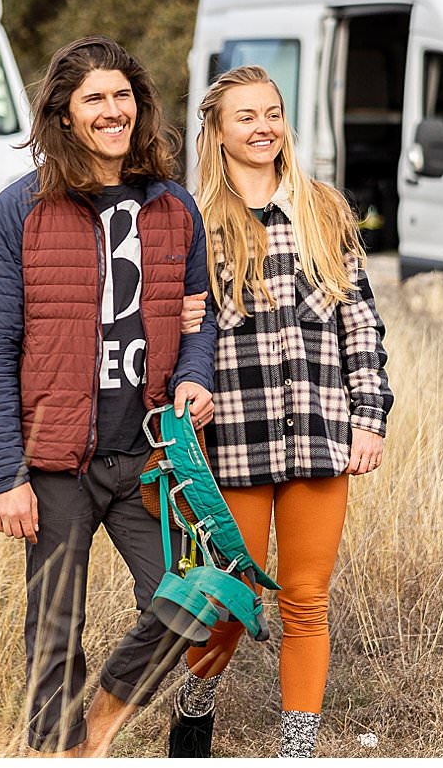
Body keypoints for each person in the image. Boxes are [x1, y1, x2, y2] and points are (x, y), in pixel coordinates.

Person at [0, 36, 218, 756]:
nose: (113, 111)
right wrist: (5, 475)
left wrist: (194, 375)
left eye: (123, 96)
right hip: (55, 462)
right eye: (95, 99)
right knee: (53, 624)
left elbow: (197, 313)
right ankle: (54, 749)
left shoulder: (175, 207)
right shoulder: (20, 210)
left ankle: (98, 719)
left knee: (190, 597)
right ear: (66, 115)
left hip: (148, 456)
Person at [167, 64, 394, 758]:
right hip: (232, 441)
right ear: (219, 129)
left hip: (321, 436)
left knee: (306, 599)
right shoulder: (193, 220)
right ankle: (195, 697)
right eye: (246, 116)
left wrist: (369, 416)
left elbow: (361, 324)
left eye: (273, 112)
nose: (263, 126)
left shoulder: (324, 208)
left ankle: (298, 749)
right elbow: (179, 334)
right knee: (230, 601)